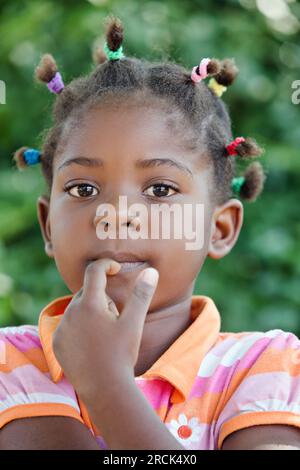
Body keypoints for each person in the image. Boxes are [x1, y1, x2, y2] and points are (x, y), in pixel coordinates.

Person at [0, 15, 299, 451]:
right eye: (83, 188)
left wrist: (106, 387)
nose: (118, 214)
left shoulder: (267, 367)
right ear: (48, 225)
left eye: (160, 189)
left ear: (219, 229)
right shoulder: (12, 363)